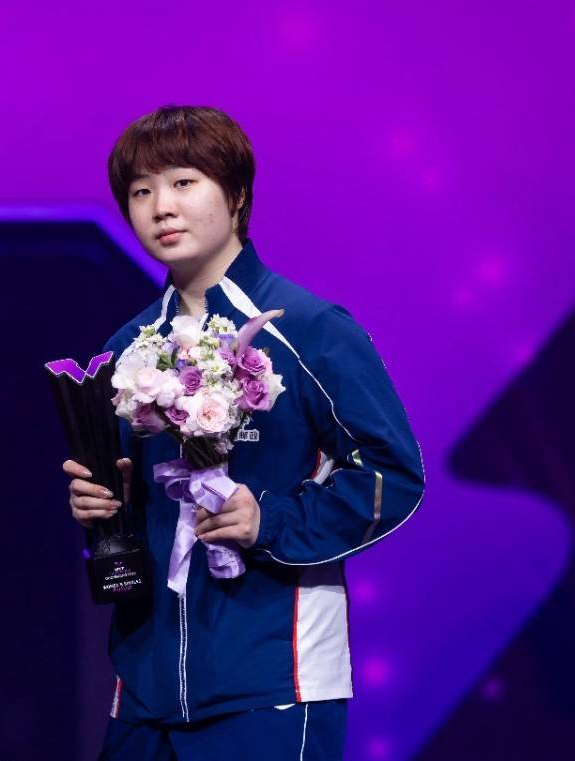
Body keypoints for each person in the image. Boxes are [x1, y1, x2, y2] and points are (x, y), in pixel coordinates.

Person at [64, 106, 424, 760]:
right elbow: (132, 505)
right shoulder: (128, 348)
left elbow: (391, 476)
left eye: (183, 182)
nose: (161, 207)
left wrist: (270, 521)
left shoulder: (310, 329)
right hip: (144, 690)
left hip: (273, 679)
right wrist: (104, 507)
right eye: (141, 192)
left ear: (236, 195)